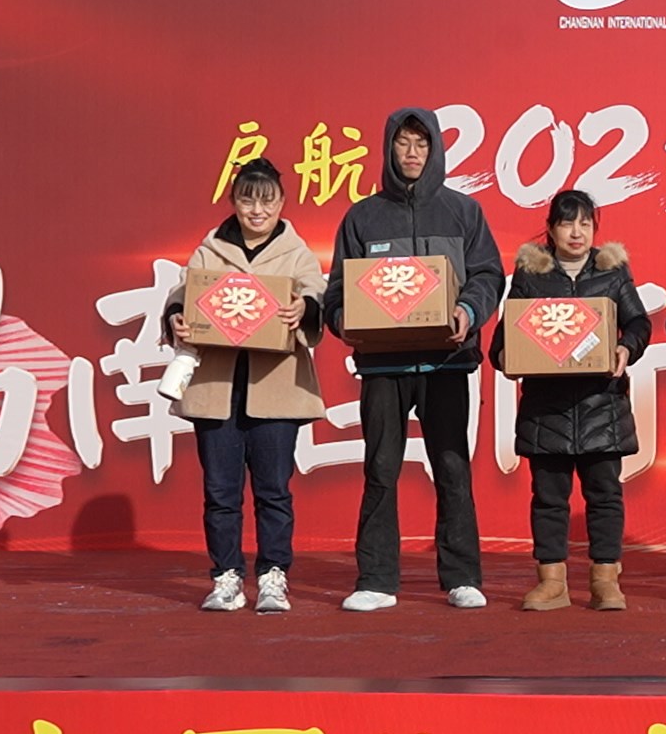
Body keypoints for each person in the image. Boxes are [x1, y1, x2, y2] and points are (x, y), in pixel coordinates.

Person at [322, 108, 504, 611]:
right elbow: (337, 290)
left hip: (447, 361)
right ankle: (376, 580)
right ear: (389, 149)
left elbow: (488, 275)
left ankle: (462, 577)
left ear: (436, 150)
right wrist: (344, 320)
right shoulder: (363, 216)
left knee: (452, 466)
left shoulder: (463, 212)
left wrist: (468, 311)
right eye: (403, 143)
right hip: (384, 366)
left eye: (422, 145)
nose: (412, 153)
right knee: (381, 468)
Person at [165, 158, 326, 612]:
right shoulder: (211, 249)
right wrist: (176, 316)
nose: (258, 211)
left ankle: (273, 576)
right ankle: (226, 576)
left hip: (276, 386)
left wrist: (303, 308)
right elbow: (184, 292)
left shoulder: (296, 252)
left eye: (267, 201)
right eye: (247, 200)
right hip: (217, 386)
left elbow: (315, 290)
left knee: (274, 490)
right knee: (220, 492)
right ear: (234, 202)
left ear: (282, 203)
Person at [491, 190, 651, 612]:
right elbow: (504, 337)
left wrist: (627, 348)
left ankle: (605, 581)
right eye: (567, 223)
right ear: (551, 229)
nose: (576, 233)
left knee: (605, 496)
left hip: (602, 406)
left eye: (585, 224)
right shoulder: (530, 275)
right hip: (547, 408)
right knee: (548, 498)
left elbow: (638, 322)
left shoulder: (612, 272)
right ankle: (552, 582)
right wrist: (507, 357)